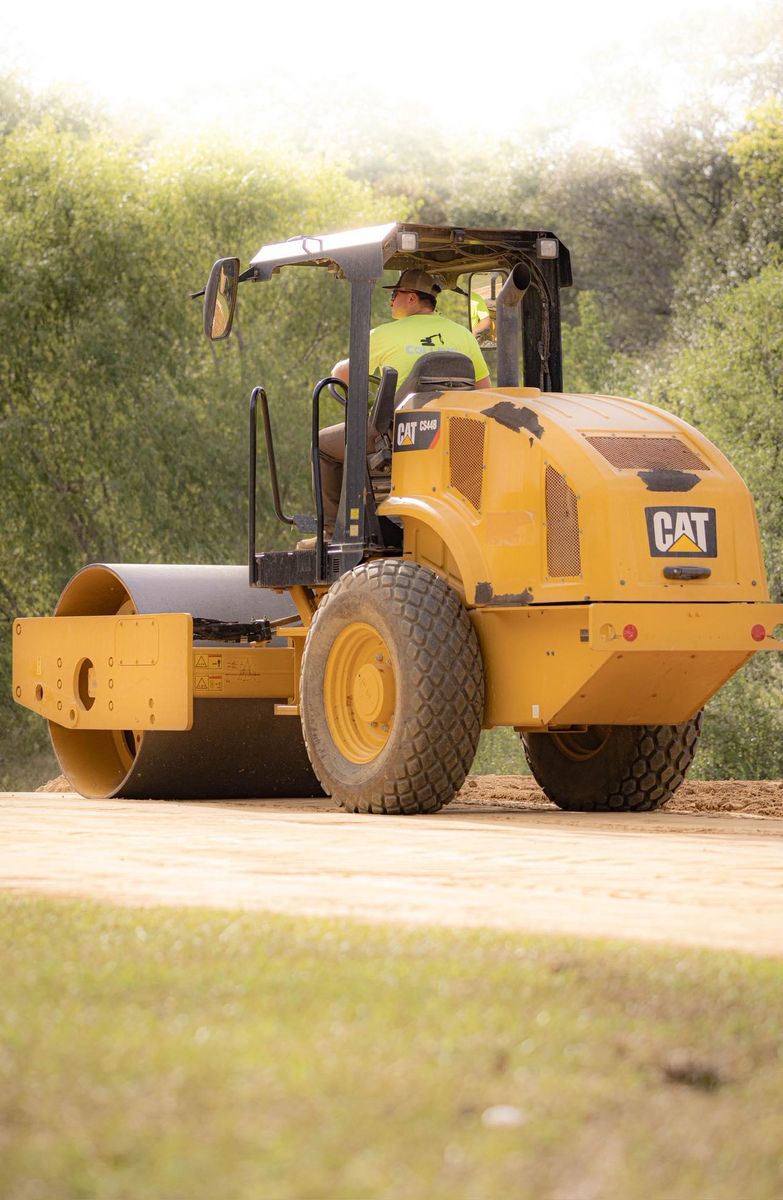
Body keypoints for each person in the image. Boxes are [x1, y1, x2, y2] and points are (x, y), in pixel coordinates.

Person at [312, 270, 492, 541]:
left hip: (399, 434)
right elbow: (484, 391)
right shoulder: (463, 335)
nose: (391, 301)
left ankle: (329, 534)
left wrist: (375, 396)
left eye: (394, 294)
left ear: (411, 298)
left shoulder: (384, 334)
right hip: (453, 437)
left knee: (323, 445)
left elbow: (341, 374)